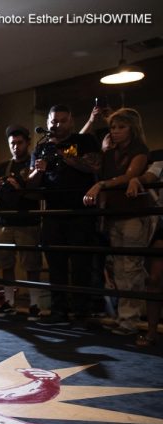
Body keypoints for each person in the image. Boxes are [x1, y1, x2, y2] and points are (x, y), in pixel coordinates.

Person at [27, 105, 101, 328]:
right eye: (53, 121)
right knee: (55, 263)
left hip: (80, 211)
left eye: (61, 120)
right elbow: (30, 186)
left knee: (81, 264)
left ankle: (81, 312)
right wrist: (39, 170)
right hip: (53, 211)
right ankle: (59, 310)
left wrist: (63, 154)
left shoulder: (84, 141)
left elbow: (94, 166)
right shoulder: (40, 148)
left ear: (71, 122)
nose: (56, 125)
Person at [83, 108, 151, 335]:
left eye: (122, 126)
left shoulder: (139, 150)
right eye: (113, 127)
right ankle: (125, 318)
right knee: (119, 268)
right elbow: (93, 166)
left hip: (134, 214)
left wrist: (101, 185)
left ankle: (130, 320)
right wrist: (102, 151)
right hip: (114, 215)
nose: (116, 131)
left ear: (133, 128)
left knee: (131, 267)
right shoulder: (108, 153)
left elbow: (129, 175)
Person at [0, 125, 43, 320]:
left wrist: (19, 187)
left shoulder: (35, 164)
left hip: (28, 220)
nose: (16, 147)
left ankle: (35, 304)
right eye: (12, 143)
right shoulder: (2, 167)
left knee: (31, 265)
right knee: (5, 264)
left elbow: (39, 193)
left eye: (19, 143)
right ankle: (9, 302)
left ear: (28, 142)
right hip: (5, 220)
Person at [126, 157, 163, 347]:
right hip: (162, 225)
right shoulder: (160, 163)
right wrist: (137, 179)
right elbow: (150, 175)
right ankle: (151, 333)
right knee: (154, 279)